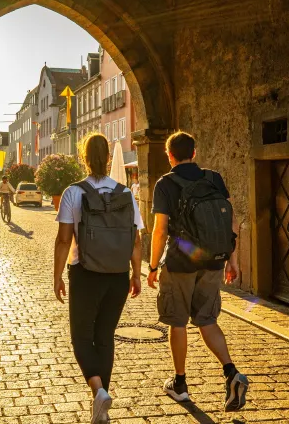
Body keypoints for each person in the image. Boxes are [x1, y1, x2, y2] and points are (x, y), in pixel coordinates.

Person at [147, 130, 249, 411]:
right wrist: (232, 260)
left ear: (169, 156)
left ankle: (180, 384)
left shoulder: (165, 184)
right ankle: (232, 373)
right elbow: (231, 222)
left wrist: (153, 265)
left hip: (181, 261)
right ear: (194, 153)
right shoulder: (213, 178)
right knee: (207, 319)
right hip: (214, 260)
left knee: (177, 322)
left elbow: (160, 230)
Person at [53, 133, 144, 424]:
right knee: (105, 337)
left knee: (81, 336)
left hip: (85, 273)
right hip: (118, 275)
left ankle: (98, 391)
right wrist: (137, 274)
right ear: (107, 158)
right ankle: (100, 403)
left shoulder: (73, 192)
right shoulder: (126, 193)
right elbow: (137, 239)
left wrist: (57, 276)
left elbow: (63, 240)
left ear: (83, 157)